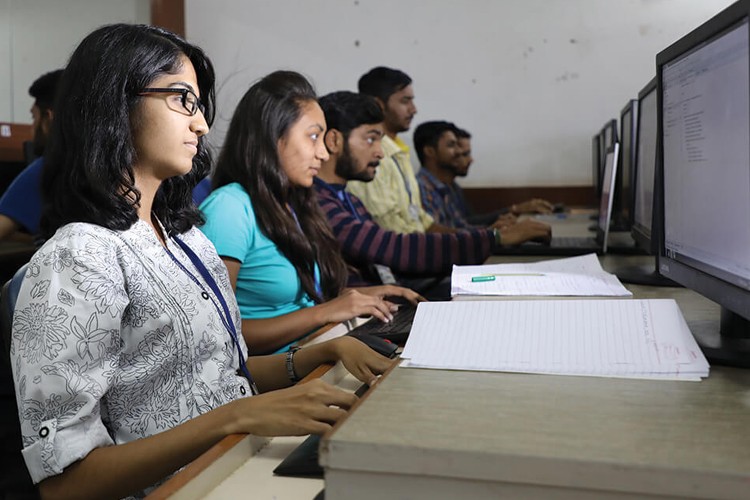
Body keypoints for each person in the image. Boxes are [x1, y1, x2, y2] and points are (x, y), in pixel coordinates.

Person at [10, 24, 392, 499]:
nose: (202, 124)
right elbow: (65, 484)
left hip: (235, 460)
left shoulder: (183, 237)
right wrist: (234, 417)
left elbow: (217, 372)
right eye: (182, 100)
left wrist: (319, 353)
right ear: (114, 102)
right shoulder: (78, 255)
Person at [199, 70, 423, 355]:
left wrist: (357, 297)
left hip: (319, 348)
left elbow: (300, 304)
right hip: (279, 373)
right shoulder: (229, 208)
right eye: (313, 137)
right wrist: (328, 311)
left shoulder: (292, 205)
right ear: (273, 136)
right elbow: (219, 334)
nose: (324, 154)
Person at [314, 91, 543, 295]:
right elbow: (392, 248)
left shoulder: (349, 199)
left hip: (388, 298)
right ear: (334, 140)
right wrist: (494, 238)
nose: (380, 153)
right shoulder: (317, 203)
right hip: (364, 319)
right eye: (370, 139)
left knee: (501, 284)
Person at [345, 67, 456, 235]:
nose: (413, 109)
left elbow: (422, 222)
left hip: (415, 249)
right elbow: (389, 228)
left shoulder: (399, 151)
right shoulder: (371, 156)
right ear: (378, 104)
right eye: (405, 101)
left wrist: (482, 236)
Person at [414, 121, 551, 244]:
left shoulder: (446, 187)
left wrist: (495, 230)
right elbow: (434, 238)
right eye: (452, 145)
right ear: (429, 151)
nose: (458, 151)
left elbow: (461, 225)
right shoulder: (421, 188)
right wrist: (492, 234)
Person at [0, 69, 63, 242]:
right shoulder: (113, 165)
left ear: (48, 118)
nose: (32, 127)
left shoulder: (47, 170)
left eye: (33, 117)